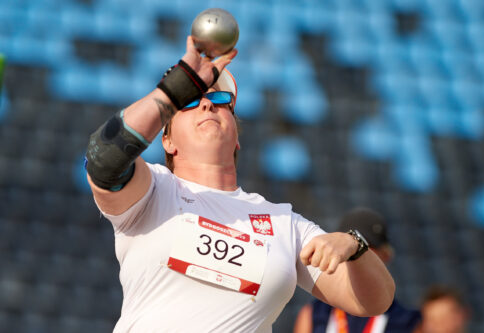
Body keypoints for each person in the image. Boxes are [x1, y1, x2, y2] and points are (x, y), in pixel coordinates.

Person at [84, 35, 395, 332]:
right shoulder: (154, 190)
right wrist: (173, 90)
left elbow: (373, 302)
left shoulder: (284, 223)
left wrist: (355, 245)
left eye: (220, 100)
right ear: (167, 142)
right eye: (190, 102)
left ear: (236, 138)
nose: (207, 105)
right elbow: (103, 156)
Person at [294, 207, 421, 333]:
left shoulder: (409, 321)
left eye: (366, 248)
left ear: (385, 256)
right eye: (346, 248)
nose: (354, 257)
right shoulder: (313, 314)